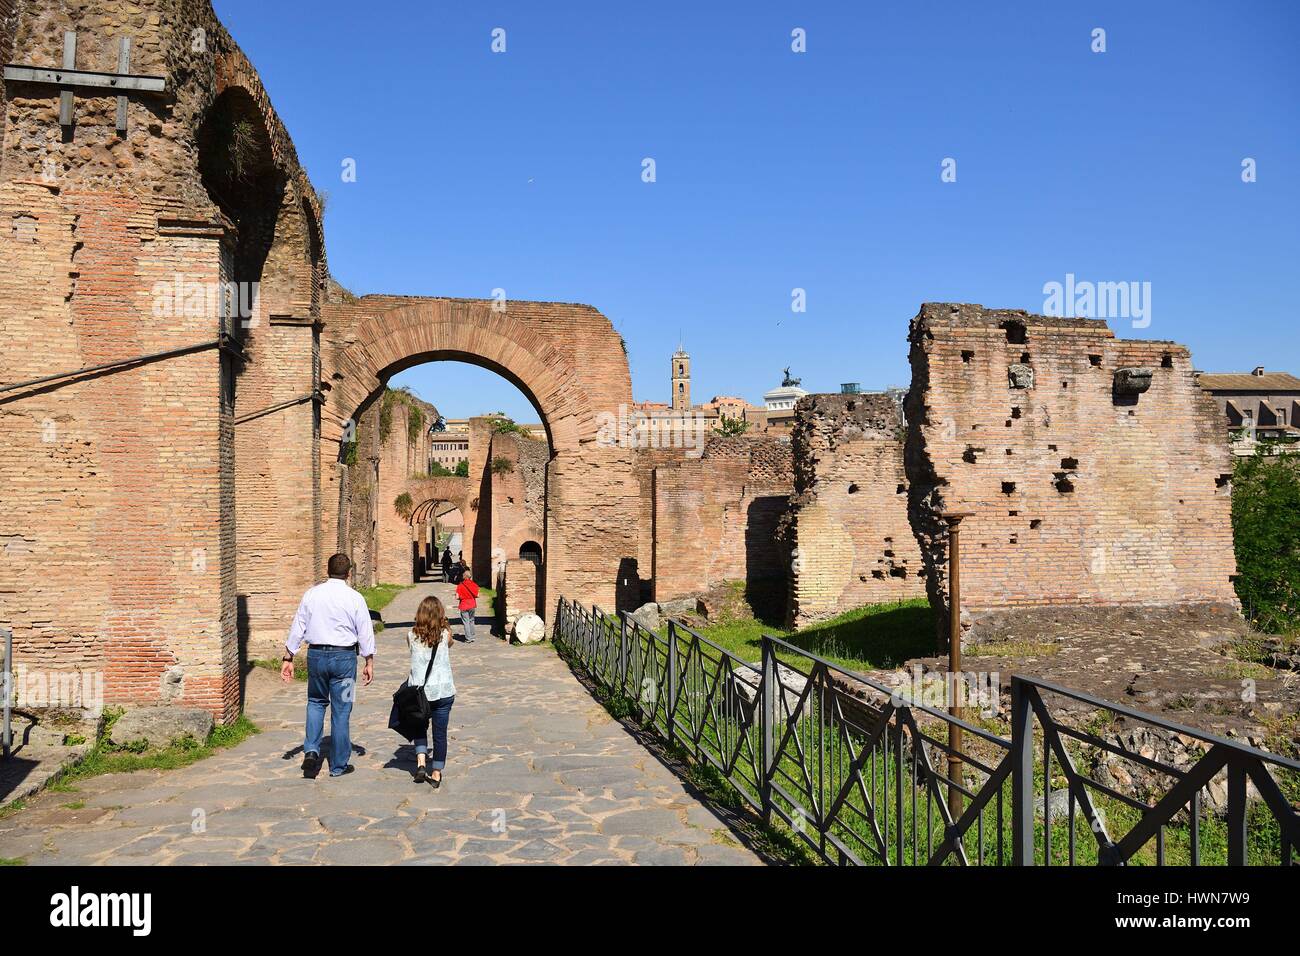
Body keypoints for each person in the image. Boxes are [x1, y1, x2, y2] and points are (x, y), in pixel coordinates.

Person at [282, 553, 375, 778]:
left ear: (327, 570)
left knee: (315, 702)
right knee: (342, 710)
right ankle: (338, 765)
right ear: (349, 573)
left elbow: (299, 626)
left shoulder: (311, 595)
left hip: (316, 656)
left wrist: (288, 656)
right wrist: (368, 660)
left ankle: (312, 750)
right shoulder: (355, 598)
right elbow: (365, 630)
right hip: (345, 659)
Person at [405, 595, 455, 787]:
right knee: (440, 734)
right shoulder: (445, 635)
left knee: (419, 727)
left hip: (420, 693)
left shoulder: (411, 635)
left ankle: (420, 763)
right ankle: (436, 773)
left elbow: (413, 649)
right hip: (443, 691)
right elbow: (450, 643)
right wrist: (446, 626)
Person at [455, 574, 480, 643]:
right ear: (470, 577)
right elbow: (478, 595)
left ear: (463, 577)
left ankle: (468, 638)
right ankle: (472, 637)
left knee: (466, 622)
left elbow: (457, 597)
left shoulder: (460, 585)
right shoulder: (474, 584)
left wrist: (462, 596)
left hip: (463, 605)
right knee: (471, 620)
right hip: (472, 604)